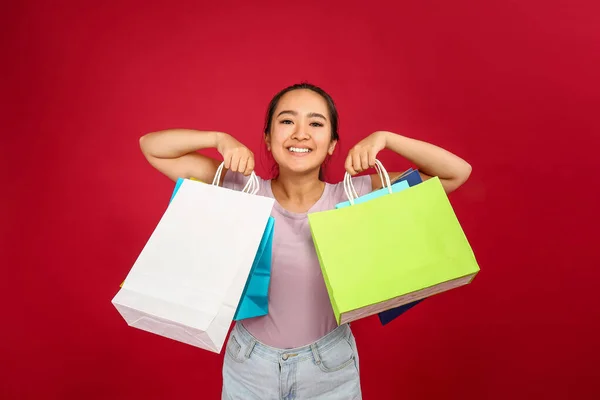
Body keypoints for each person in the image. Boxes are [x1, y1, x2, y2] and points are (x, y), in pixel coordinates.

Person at [139, 82, 472, 399]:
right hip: (250, 366)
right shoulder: (240, 190)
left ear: (331, 144)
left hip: (329, 367)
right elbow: (153, 149)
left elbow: (456, 173)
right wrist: (218, 138)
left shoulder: (356, 197)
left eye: (316, 123)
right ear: (268, 139)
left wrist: (386, 139)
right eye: (287, 121)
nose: (300, 133)